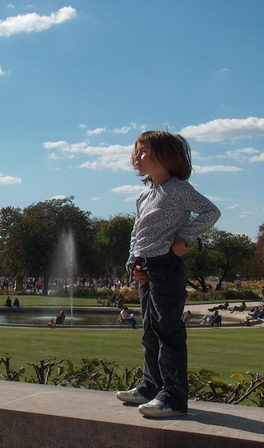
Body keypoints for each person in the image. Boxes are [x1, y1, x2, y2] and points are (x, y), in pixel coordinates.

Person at [116, 131, 220, 418]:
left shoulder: (177, 189)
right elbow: (136, 233)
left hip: (166, 265)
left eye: (144, 151)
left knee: (168, 331)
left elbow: (210, 212)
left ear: (167, 156)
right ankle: (152, 386)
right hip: (146, 267)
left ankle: (173, 397)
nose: (136, 158)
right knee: (150, 330)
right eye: (135, 152)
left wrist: (183, 238)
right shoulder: (144, 195)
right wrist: (132, 264)